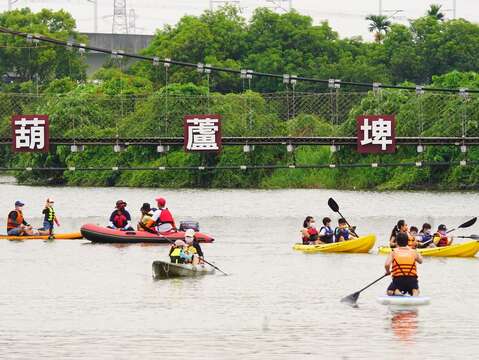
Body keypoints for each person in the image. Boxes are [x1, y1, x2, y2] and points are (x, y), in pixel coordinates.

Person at [385, 232, 423, 296]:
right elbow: (421, 261)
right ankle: (415, 292)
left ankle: (397, 291)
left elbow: (387, 265)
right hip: (412, 279)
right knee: (415, 289)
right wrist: (416, 251)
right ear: (407, 242)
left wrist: (388, 272)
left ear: (397, 242)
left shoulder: (393, 252)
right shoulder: (413, 252)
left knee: (389, 291)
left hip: (398, 279)